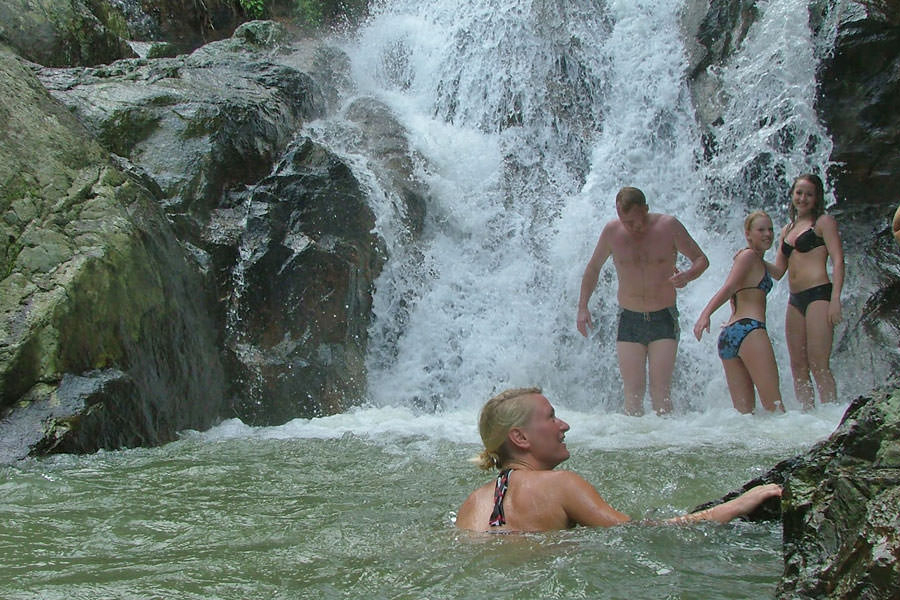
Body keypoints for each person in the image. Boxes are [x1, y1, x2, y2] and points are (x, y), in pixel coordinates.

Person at [454, 387, 782, 532]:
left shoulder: (473, 503)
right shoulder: (561, 485)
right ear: (520, 437)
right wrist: (736, 505)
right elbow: (644, 533)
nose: (564, 425)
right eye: (551, 417)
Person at [577, 187, 709, 416]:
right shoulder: (612, 231)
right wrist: (582, 306)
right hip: (629, 317)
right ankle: (633, 445)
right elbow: (593, 268)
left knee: (661, 391)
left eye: (636, 221)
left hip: (663, 316)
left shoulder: (668, 227)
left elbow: (701, 259)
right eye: (625, 221)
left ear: (646, 209)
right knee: (633, 393)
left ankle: (665, 445)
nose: (632, 227)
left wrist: (687, 276)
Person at [693, 211, 785, 414]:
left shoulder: (755, 260)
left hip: (732, 335)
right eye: (761, 230)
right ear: (748, 234)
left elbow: (779, 272)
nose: (768, 234)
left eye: (770, 229)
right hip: (751, 330)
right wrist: (705, 315)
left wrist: (786, 237)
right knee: (775, 408)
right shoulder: (749, 256)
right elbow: (730, 287)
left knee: (744, 417)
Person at [770, 174, 844, 410]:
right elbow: (778, 271)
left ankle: (831, 417)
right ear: (792, 195)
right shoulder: (786, 229)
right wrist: (752, 256)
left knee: (818, 363)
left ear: (816, 198)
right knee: (798, 365)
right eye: (799, 193)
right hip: (795, 300)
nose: (802, 198)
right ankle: (807, 415)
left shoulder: (823, 222)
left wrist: (835, 300)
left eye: (808, 194)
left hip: (819, 295)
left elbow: (839, 260)